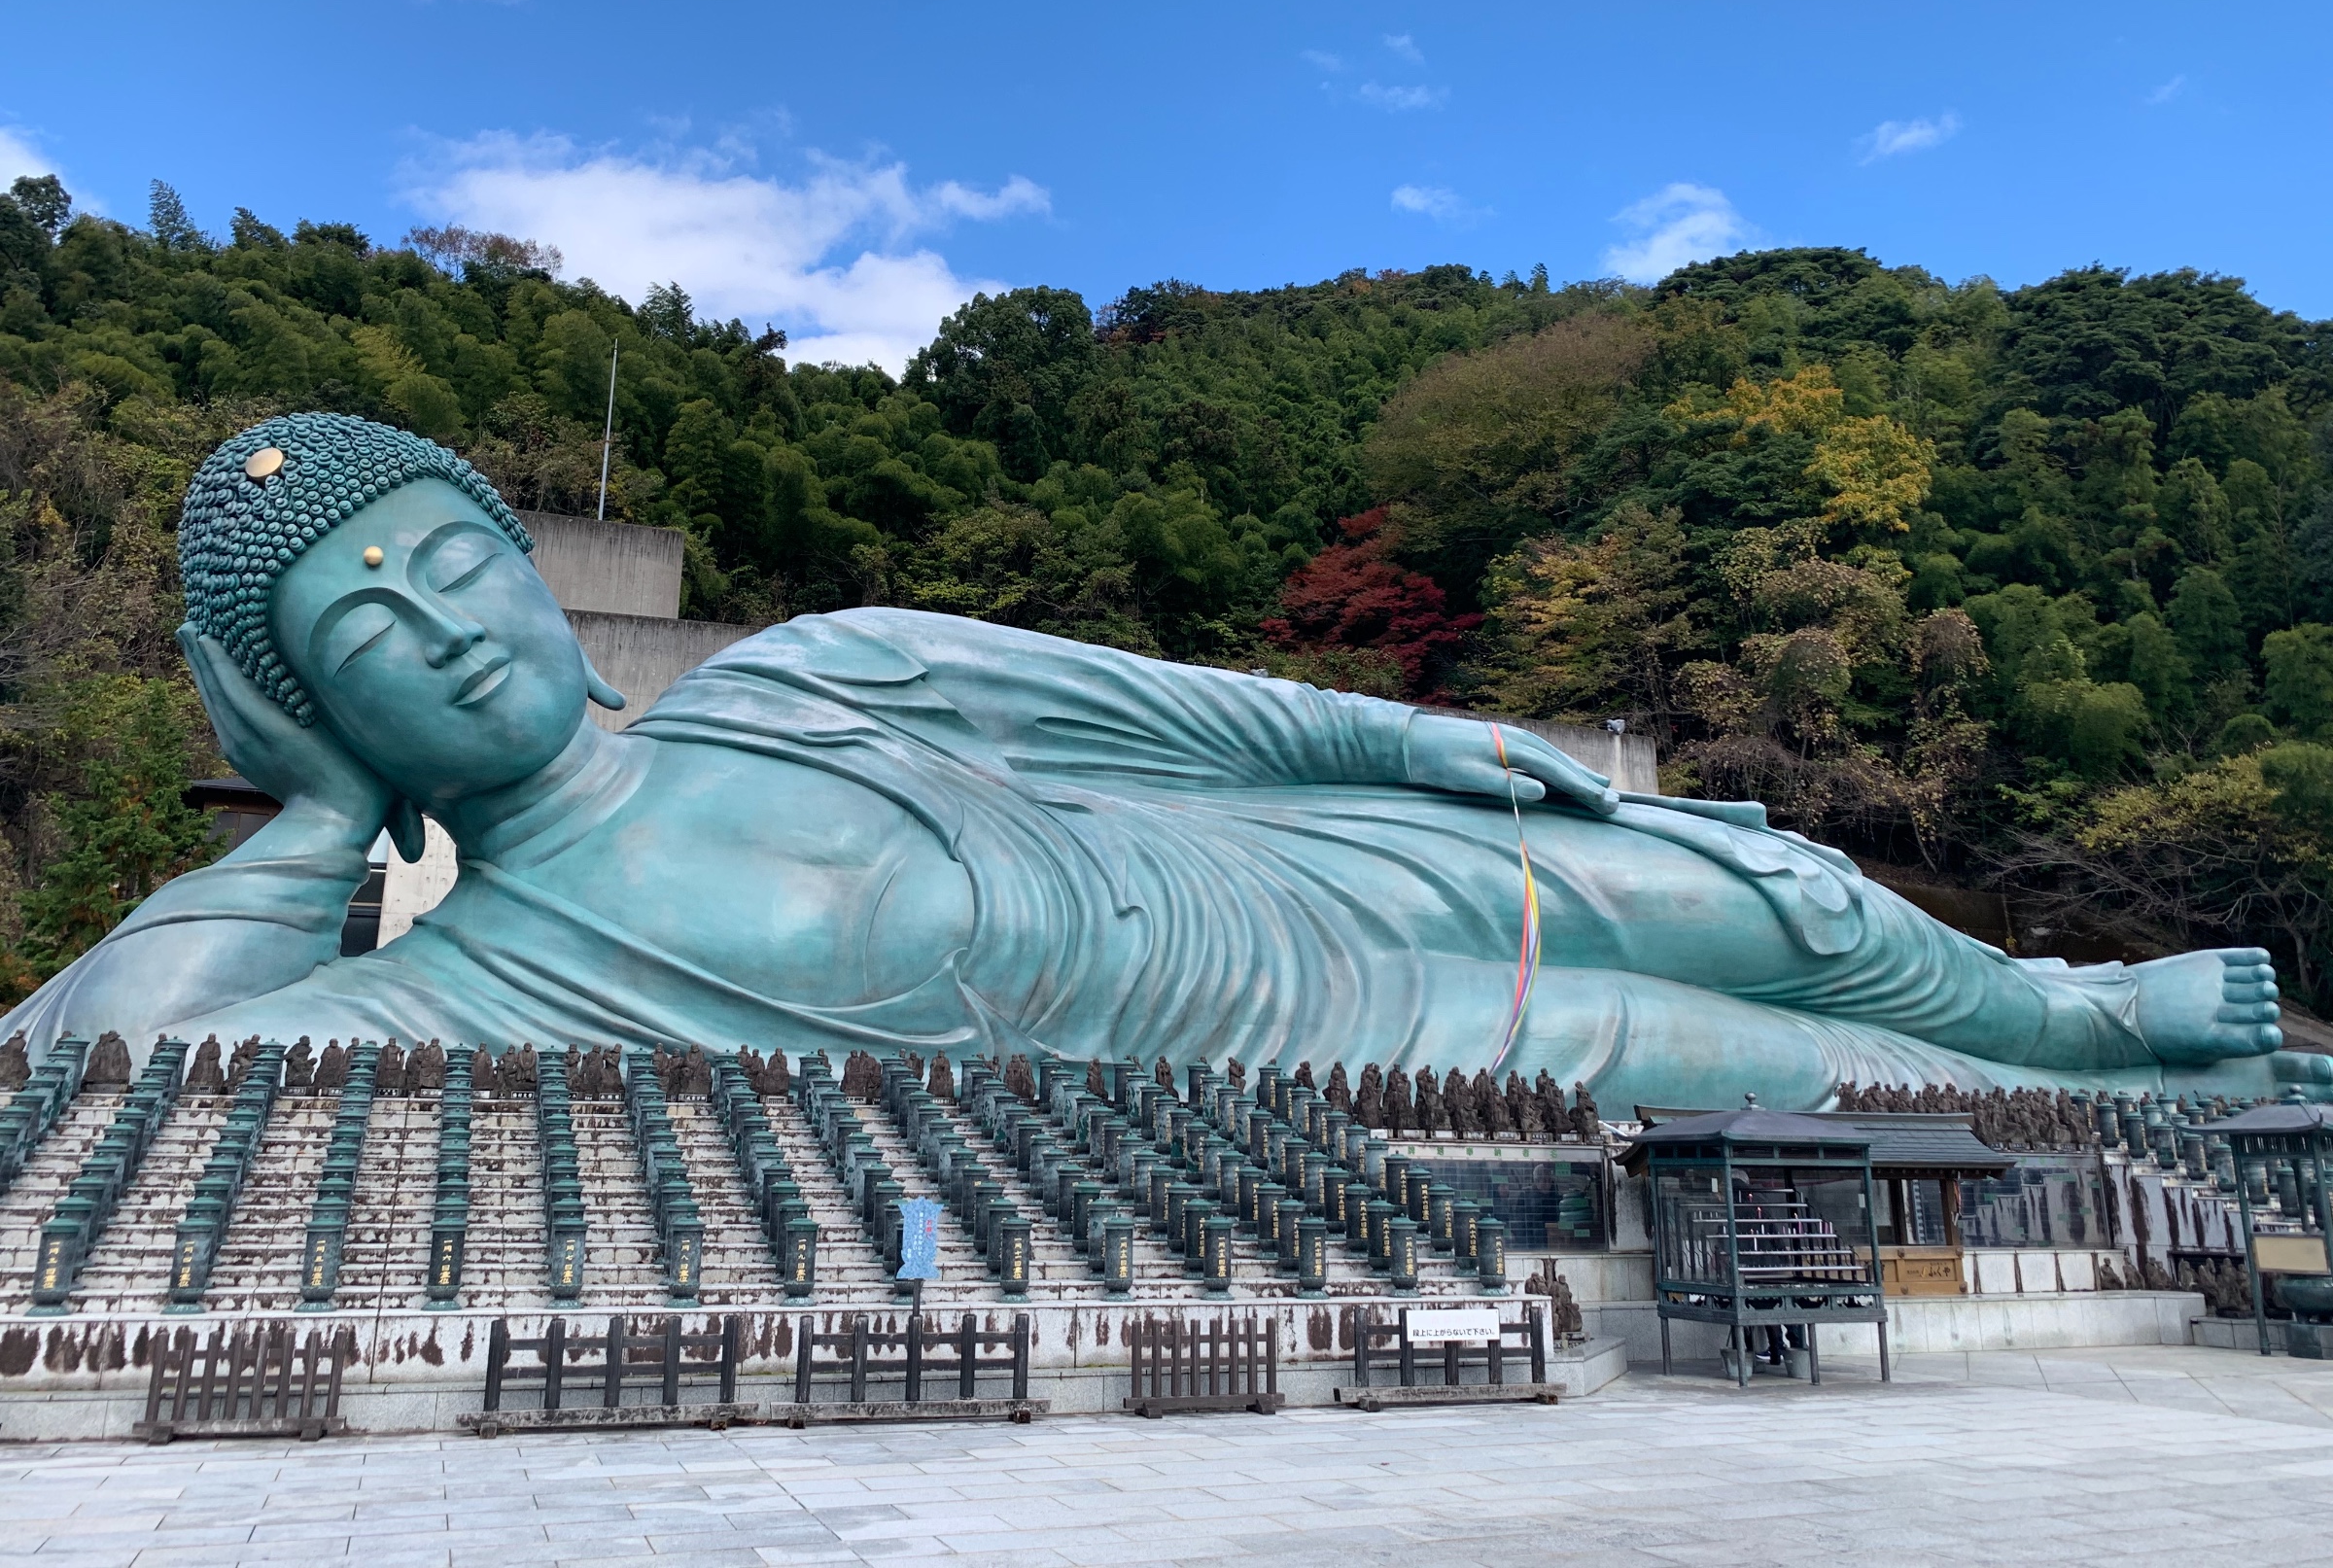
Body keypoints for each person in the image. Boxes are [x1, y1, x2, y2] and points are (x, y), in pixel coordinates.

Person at [0, 414, 2318, 1111]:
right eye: (356, 642)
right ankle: (2095, 1090)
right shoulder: (489, 978)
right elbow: (91, 1079)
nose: (440, 633)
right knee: (1763, 1077)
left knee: (1769, 886)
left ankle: (2072, 1006)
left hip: (1298, 864)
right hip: (1350, 1048)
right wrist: (307, 821)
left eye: (445, 559)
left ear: (527, 555)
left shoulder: (818, 669)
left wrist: (1416, 732)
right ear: (320, 703)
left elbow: (1162, 706)